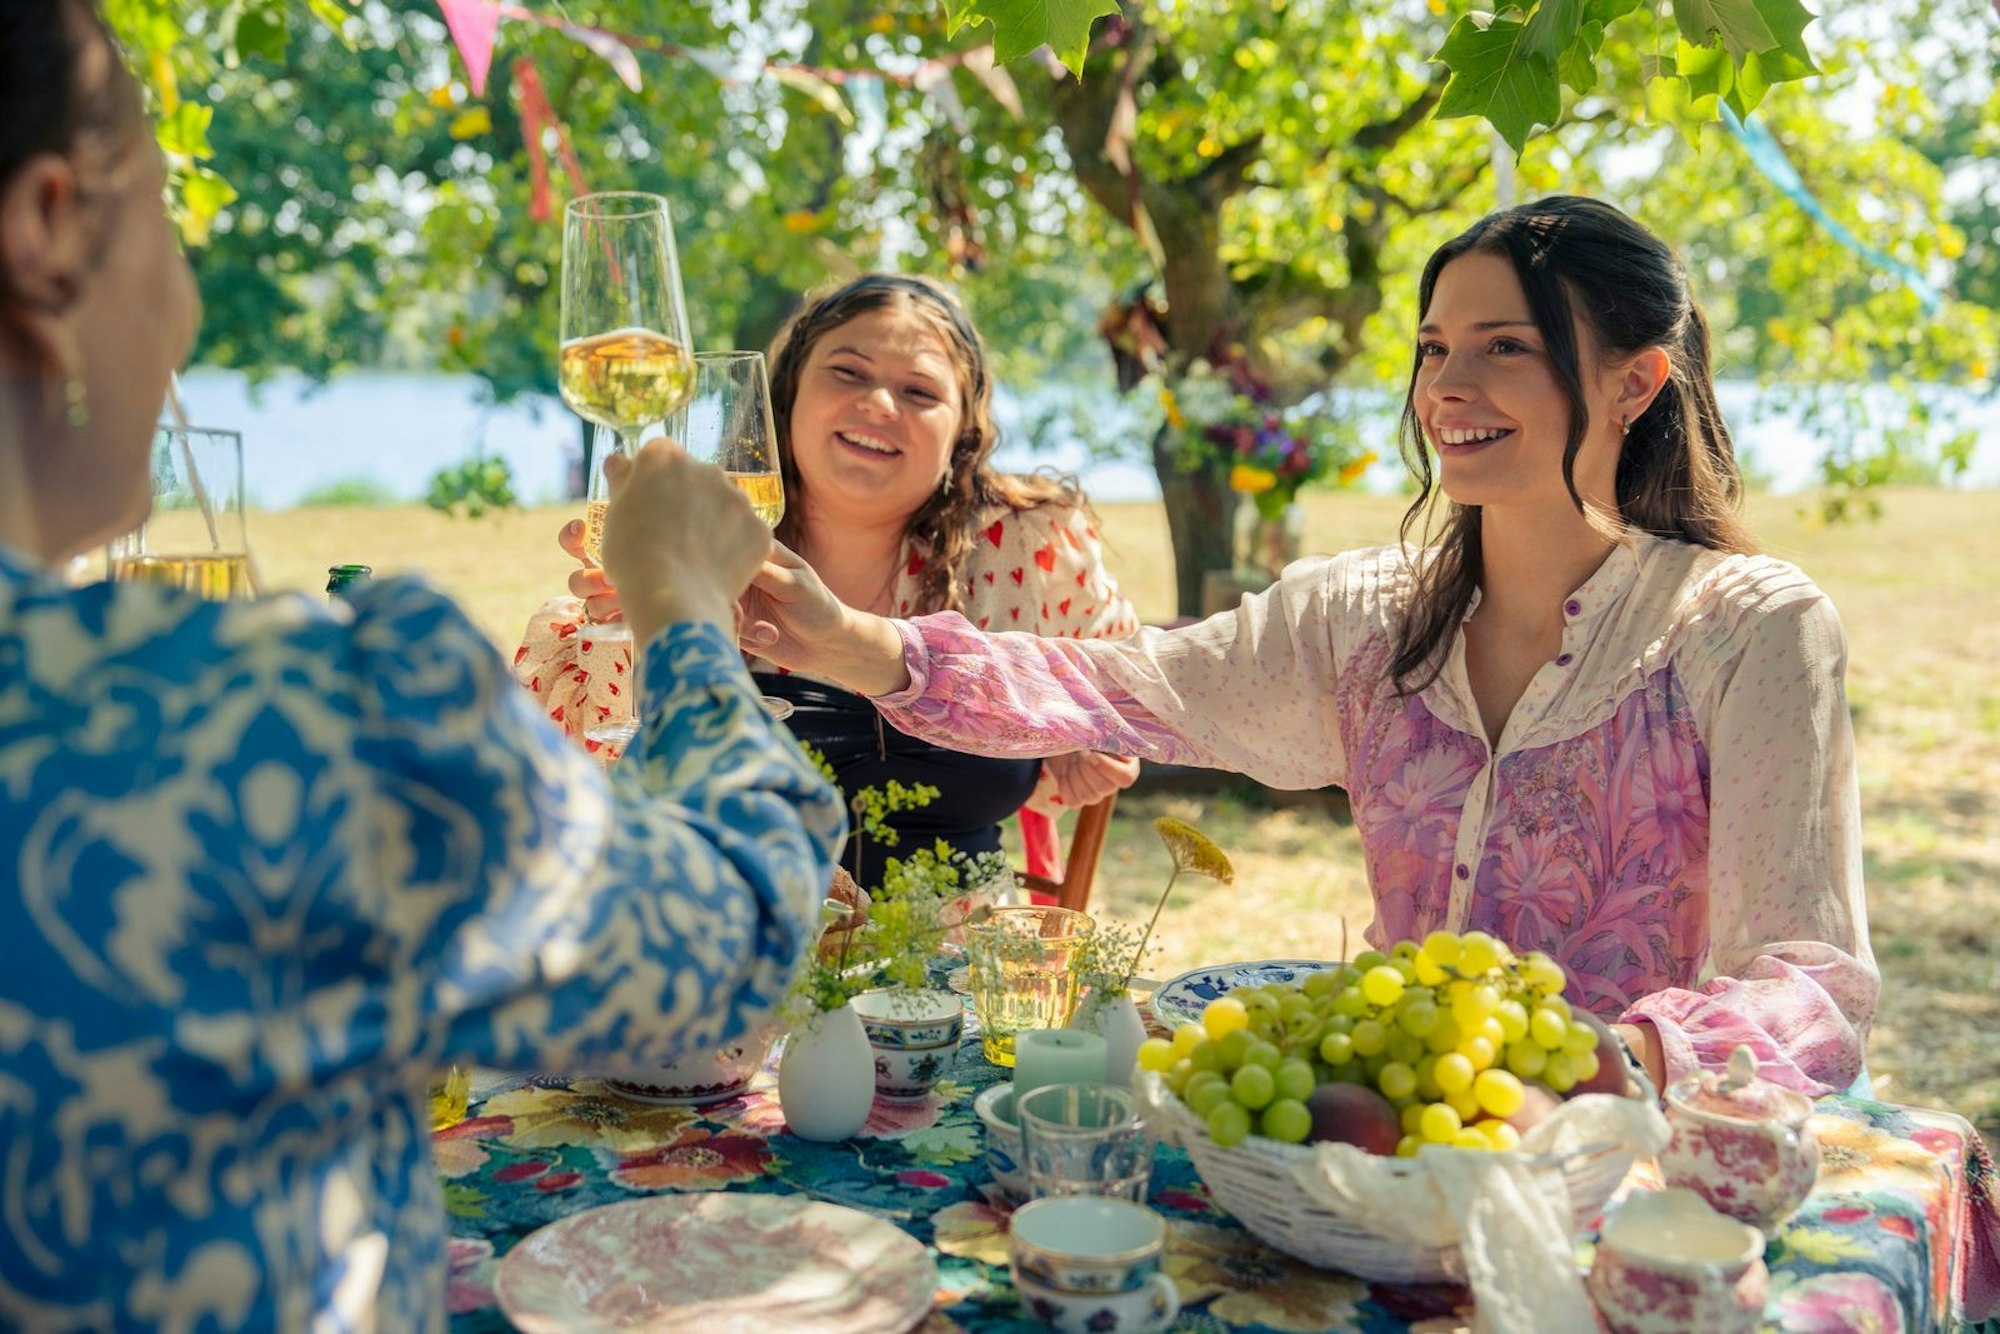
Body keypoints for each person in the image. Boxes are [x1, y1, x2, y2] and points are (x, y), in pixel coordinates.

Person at [0, 3, 843, 1326]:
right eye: (164, 200)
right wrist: (679, 595)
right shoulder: (266, 718)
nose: (185, 295)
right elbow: (732, 935)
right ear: (46, 229)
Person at [741, 196, 1880, 1098]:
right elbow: (1117, 688)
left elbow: (1810, 986)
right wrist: (849, 639)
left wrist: (1606, 1066)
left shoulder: (1748, 630)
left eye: (1503, 347)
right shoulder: (1362, 618)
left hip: (1629, 1171)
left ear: (1635, 381)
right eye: (1434, 348)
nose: (1448, 387)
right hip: (1375, 1152)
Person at [516, 273, 1143, 886]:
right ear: (786, 396)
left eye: (920, 392)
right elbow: (588, 806)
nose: (878, 403)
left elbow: (1132, 698)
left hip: (965, 970)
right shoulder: (693, 540)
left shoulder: (1028, 550)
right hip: (754, 959)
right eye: (848, 372)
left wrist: (1076, 736)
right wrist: (649, 618)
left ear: (963, 433)